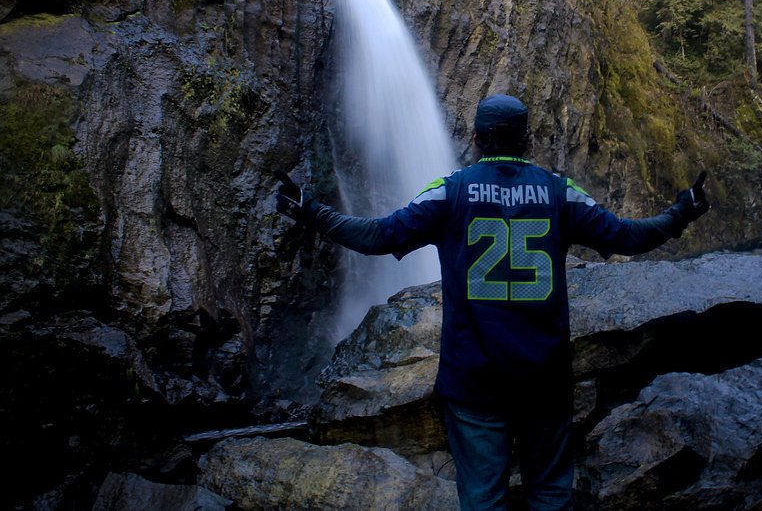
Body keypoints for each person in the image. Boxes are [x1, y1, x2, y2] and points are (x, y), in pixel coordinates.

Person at [275, 94, 710, 511]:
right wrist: (682, 212)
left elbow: (379, 236)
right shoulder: (559, 192)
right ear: (526, 139)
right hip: (544, 381)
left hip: (474, 382)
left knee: (483, 500)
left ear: (477, 138)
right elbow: (628, 237)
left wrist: (310, 210)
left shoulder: (450, 192)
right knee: (552, 497)